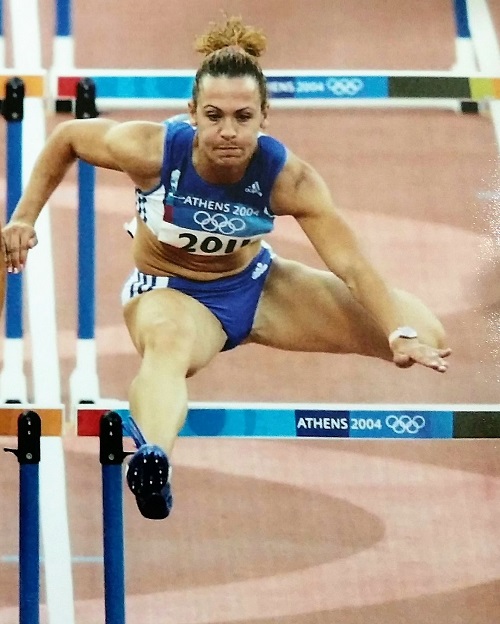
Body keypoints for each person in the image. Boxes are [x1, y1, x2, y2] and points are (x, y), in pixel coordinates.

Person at [2, 16, 451, 519]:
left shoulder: (288, 179)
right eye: (214, 116)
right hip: (172, 295)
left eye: (243, 117)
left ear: (264, 117)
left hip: (257, 287)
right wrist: (23, 218)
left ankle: (401, 333)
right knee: (168, 344)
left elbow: (351, 262)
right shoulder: (151, 151)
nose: (228, 132)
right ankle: (154, 461)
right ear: (193, 112)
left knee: (426, 330)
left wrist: (398, 332)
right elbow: (67, 138)